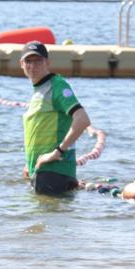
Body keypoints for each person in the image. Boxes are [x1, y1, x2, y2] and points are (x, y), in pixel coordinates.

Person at [19, 41, 91, 196]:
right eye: (28, 61)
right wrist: (30, 165)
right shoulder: (38, 90)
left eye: (38, 61)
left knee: (44, 219)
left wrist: (58, 151)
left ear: (47, 62)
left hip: (54, 171)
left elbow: (82, 119)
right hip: (42, 171)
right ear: (21, 64)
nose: (33, 65)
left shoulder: (57, 86)